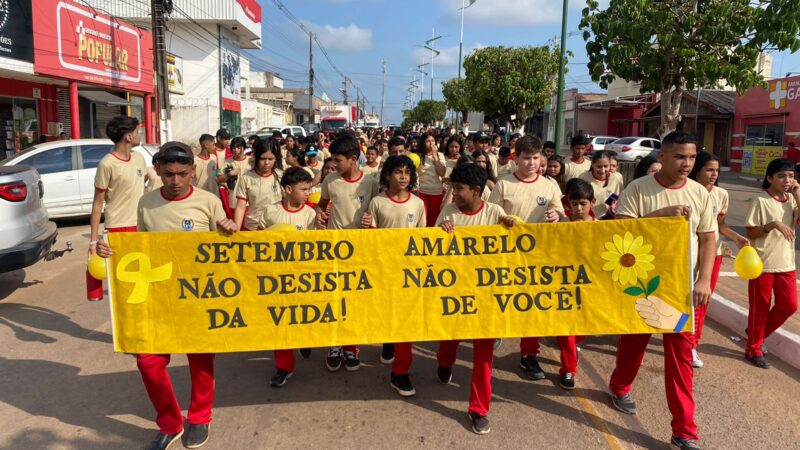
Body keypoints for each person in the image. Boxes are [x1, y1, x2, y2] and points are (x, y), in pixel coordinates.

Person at [95, 142, 238, 450]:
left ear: (192, 172)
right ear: (157, 171)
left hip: (199, 297)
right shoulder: (146, 203)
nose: (175, 182)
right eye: (169, 174)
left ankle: (200, 418)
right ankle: (170, 423)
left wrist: (228, 229)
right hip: (159, 296)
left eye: (182, 174)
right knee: (148, 361)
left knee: (200, 361)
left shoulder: (209, 202)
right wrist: (112, 251)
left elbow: (226, 249)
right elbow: (142, 249)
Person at [608, 131, 715, 450]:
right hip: (643, 287)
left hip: (682, 290)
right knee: (633, 345)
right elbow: (621, 233)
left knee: (680, 359)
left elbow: (708, 238)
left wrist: (704, 279)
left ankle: (685, 430)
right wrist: (661, 217)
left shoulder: (699, 193)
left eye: (692, 157)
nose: (687, 163)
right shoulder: (638, 189)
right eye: (680, 157)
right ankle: (620, 386)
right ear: (663, 158)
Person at [436, 163, 517, 435]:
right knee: (449, 341)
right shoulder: (448, 213)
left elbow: (516, 244)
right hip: (455, 293)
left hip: (486, 296)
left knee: (483, 356)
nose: (453, 193)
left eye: (458, 188)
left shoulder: (495, 213)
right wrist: (441, 232)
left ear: (476, 191)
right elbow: (433, 251)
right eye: (452, 187)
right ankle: (444, 362)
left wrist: (511, 226)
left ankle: (478, 409)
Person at [488, 135, 563, 380]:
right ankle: (493, 333)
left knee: (532, 305)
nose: (531, 163)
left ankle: (528, 354)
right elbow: (491, 216)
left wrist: (557, 216)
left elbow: (561, 212)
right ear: (516, 158)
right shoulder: (503, 185)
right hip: (506, 253)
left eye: (535, 158)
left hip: (537, 255)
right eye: (526, 158)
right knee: (500, 298)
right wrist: (503, 221)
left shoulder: (550, 185)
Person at [315, 134, 380, 372]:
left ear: (353, 159)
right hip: (335, 252)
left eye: (338, 160)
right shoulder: (330, 181)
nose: (333, 164)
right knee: (334, 299)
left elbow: (377, 209)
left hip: (361, 251)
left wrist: (370, 218)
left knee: (354, 302)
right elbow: (321, 204)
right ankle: (334, 345)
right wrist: (318, 214)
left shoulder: (371, 182)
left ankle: (352, 348)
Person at [363, 155, 426, 397]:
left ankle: (400, 373)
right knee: (388, 315)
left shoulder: (418, 204)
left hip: (409, 273)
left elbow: (422, 239)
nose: (403, 177)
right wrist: (367, 227)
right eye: (398, 172)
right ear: (387, 175)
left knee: (406, 323)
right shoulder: (377, 202)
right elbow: (373, 238)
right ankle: (389, 342)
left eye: (407, 173)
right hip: (384, 271)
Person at [687, 151, 749, 368]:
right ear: (698, 171)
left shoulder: (722, 194)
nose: (713, 174)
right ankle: (676, 337)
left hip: (714, 253)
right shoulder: (687, 190)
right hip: (687, 252)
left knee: (703, 301)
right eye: (708, 169)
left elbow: (720, 225)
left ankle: (692, 345)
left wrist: (737, 237)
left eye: (716, 170)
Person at [261, 167, 317, 387]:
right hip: (277, 277)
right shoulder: (270, 212)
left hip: (302, 276)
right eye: (303, 189)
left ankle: (304, 339)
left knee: (304, 315)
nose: (307, 193)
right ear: (287, 189)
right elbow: (258, 240)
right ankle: (284, 367)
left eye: (309, 189)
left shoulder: (310, 214)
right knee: (281, 321)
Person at [744, 158, 799, 369]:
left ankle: (756, 334)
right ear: (770, 178)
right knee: (760, 308)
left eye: (791, 176)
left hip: (786, 263)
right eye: (782, 176)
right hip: (762, 263)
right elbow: (752, 231)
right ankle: (753, 349)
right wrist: (773, 224)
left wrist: (798, 194)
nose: (787, 180)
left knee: (789, 305)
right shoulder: (760, 201)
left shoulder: (792, 200)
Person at [87, 116, 148, 301]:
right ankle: (121, 327)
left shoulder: (138, 158)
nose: (140, 135)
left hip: (141, 226)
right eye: (137, 132)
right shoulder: (107, 164)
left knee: (141, 279)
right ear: (128, 137)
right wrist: (93, 241)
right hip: (118, 228)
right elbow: (98, 204)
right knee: (122, 281)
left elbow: (142, 182)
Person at [556, 178, 596, 389]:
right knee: (567, 328)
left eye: (583, 203)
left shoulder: (601, 228)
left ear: (592, 203)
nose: (579, 208)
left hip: (590, 286)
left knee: (585, 327)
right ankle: (569, 369)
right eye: (574, 204)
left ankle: (571, 348)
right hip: (565, 285)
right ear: (568, 204)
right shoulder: (561, 226)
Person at [233, 139, 283, 231]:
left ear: (276, 158)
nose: (267, 163)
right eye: (263, 159)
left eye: (270, 159)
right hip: (253, 227)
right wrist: (236, 229)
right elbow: (240, 207)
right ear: (256, 158)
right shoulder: (247, 177)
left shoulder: (281, 176)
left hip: (276, 227)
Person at [578, 150, 623, 219]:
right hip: (588, 219)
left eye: (606, 166)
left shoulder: (616, 178)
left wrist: (608, 208)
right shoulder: (583, 177)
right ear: (592, 165)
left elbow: (616, 197)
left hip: (607, 218)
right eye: (599, 166)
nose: (602, 170)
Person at [414, 132, 447, 226]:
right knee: (422, 219)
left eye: (433, 141)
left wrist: (435, 156)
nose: (431, 143)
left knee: (434, 219)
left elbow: (442, 173)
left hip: (436, 192)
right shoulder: (418, 156)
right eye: (428, 141)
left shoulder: (440, 155)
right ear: (423, 143)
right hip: (422, 192)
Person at [217, 137, 251, 219]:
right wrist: (230, 174)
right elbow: (218, 179)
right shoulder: (227, 162)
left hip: (249, 202)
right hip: (234, 201)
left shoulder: (251, 161)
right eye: (233, 147)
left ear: (244, 147)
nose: (235, 150)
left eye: (238, 147)